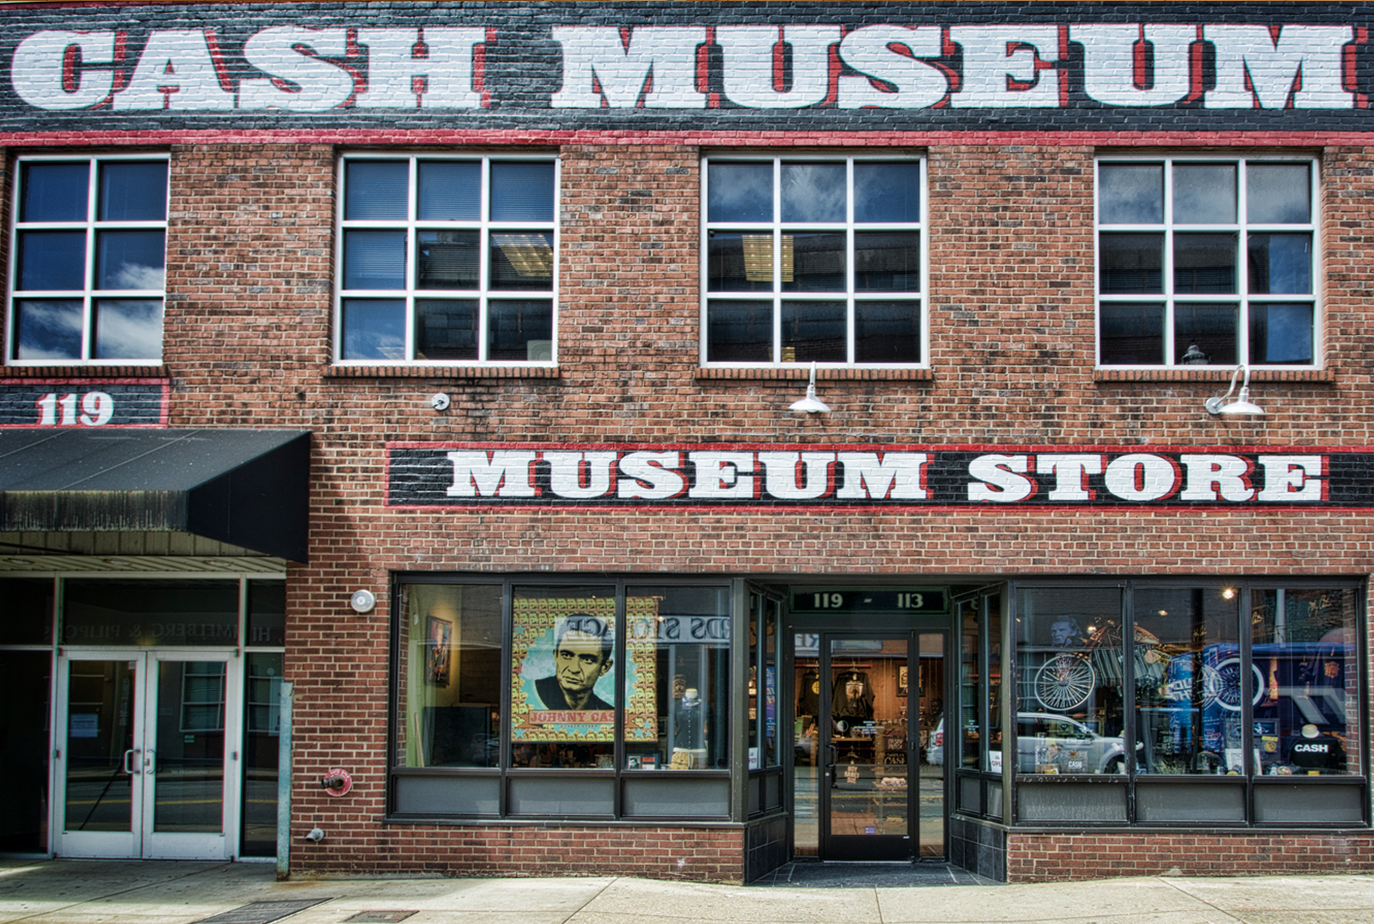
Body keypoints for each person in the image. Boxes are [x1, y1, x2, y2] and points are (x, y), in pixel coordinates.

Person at [534, 613, 613, 710]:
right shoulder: (535, 692)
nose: (574, 669)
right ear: (556, 655)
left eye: (587, 660)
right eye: (566, 655)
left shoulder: (608, 711)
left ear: (604, 667)